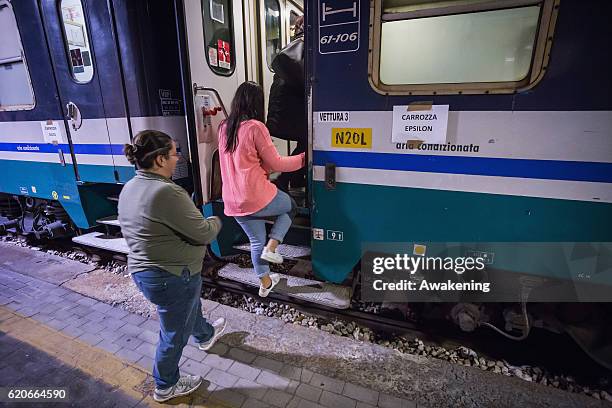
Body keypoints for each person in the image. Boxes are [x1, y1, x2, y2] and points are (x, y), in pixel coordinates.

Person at [118, 130, 225, 403]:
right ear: (160, 159)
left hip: (147, 271)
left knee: (189, 308)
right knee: (174, 332)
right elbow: (203, 232)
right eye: (174, 152)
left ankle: (206, 336)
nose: (178, 158)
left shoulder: (130, 187)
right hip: (172, 276)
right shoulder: (167, 192)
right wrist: (216, 221)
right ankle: (166, 385)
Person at [218, 81, 305, 296]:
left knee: (256, 240)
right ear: (257, 103)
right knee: (290, 206)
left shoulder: (223, 127)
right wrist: (305, 158)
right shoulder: (256, 127)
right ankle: (272, 247)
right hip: (254, 195)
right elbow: (277, 164)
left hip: (232, 201)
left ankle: (265, 284)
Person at [266, 15, 306, 191]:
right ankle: (283, 180)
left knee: (304, 142)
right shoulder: (305, 46)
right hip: (291, 108)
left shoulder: (292, 46)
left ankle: (295, 179)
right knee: (307, 143)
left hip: (283, 106)